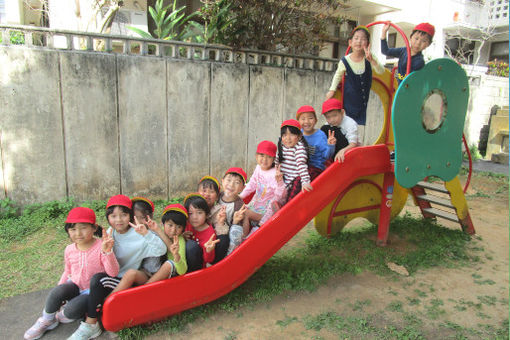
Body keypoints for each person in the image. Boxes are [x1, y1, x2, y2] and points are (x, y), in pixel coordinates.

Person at [67, 195, 166, 340]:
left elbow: (161, 250)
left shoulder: (139, 234)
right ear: (108, 218)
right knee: (71, 311)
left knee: (97, 281)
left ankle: (92, 323)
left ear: (130, 216)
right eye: (113, 216)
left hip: (121, 279)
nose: (118, 220)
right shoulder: (110, 232)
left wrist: (146, 234)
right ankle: (95, 309)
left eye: (123, 215)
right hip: (108, 277)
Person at [24, 207, 119, 340]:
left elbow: (113, 272)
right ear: (68, 231)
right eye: (73, 229)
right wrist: (60, 291)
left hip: (92, 292)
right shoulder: (69, 249)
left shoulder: (101, 246)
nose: (78, 233)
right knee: (57, 292)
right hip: (75, 286)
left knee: (70, 311)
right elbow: (67, 270)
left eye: (83, 228)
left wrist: (107, 252)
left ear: (94, 227)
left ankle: (66, 315)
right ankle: (47, 320)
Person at [326, 25, 385, 143]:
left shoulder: (369, 58)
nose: (359, 41)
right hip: (349, 100)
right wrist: (332, 90)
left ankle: (357, 146)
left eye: (363, 39)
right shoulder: (345, 60)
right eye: (356, 38)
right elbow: (338, 75)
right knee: (347, 126)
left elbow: (381, 71)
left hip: (363, 102)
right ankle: (348, 145)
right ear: (350, 42)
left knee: (360, 128)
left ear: (368, 44)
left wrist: (372, 60)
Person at [237, 140, 287, 242]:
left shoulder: (274, 173)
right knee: (238, 209)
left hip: (265, 212)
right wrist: (240, 197)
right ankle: (238, 233)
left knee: (245, 213)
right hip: (254, 206)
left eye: (269, 157)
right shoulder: (258, 168)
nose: (264, 159)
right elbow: (251, 184)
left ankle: (245, 239)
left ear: (274, 159)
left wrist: (279, 181)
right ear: (256, 156)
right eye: (262, 155)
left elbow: (279, 195)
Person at [143, 204, 188, 282]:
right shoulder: (156, 232)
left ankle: (143, 290)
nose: (173, 230)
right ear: (162, 223)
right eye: (170, 225)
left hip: (168, 276)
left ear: (183, 229)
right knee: (131, 274)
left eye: (179, 227)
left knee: (169, 264)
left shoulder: (180, 240)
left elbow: (182, 271)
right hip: (149, 271)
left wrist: (176, 255)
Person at [276, 119, 313, 201]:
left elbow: (301, 165)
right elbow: (277, 159)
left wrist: (305, 181)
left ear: (299, 136)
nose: (288, 138)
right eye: (284, 135)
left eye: (292, 134)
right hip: (282, 178)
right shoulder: (282, 145)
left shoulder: (299, 148)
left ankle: (281, 205)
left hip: (292, 181)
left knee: (284, 194)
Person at [296, 105, 336, 180]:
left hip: (315, 167)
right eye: (303, 119)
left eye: (310, 118)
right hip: (300, 165)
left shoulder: (320, 135)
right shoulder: (297, 134)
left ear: (316, 120)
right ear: (298, 121)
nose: (306, 121)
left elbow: (326, 156)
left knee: (300, 179)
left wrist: (331, 145)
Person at [183, 193, 219, 268]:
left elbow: (209, 260)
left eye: (199, 213)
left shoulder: (210, 233)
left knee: (191, 245)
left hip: (198, 267)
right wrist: (182, 236)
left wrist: (208, 250)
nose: (195, 217)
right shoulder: (187, 225)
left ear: (206, 214)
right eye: (190, 213)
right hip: (184, 262)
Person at [320, 98, 358, 163]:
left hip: (351, 152)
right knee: (324, 129)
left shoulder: (350, 123)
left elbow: (353, 143)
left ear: (342, 112)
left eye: (334, 115)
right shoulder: (328, 125)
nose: (332, 120)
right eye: (328, 117)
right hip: (335, 148)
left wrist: (343, 151)